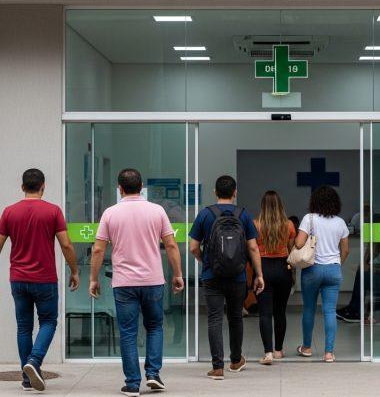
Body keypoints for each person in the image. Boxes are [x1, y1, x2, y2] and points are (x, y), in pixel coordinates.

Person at [89, 168, 184, 397]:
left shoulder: (110, 213)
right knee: (154, 327)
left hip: (124, 283)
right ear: (142, 187)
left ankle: (132, 384)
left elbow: (99, 249)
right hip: (152, 280)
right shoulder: (157, 210)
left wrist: (93, 278)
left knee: (128, 332)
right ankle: (153, 375)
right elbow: (171, 245)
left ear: (119, 188)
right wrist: (177, 274)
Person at [0, 169, 79, 392]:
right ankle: (34, 361)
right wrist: (74, 270)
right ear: (43, 186)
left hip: (18, 278)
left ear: (23, 187)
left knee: (24, 327)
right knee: (49, 322)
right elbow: (66, 244)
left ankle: (27, 380)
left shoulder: (9, 212)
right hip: (44, 279)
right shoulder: (53, 211)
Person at [189, 175, 264, 380]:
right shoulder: (243, 215)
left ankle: (217, 367)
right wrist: (258, 274)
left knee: (214, 319)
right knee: (235, 317)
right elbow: (253, 247)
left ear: (215, 192)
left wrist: (205, 261)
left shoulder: (205, 214)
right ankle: (236, 360)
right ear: (235, 192)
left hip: (212, 275)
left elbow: (193, 246)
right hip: (238, 275)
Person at [295, 185, 349, 363]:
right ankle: (329, 353)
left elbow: (299, 243)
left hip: (312, 269)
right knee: (330, 311)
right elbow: (346, 250)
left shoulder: (309, 219)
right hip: (333, 269)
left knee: (309, 308)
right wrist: (336, 263)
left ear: (315, 201)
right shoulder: (340, 222)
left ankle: (307, 347)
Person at [253, 191, 296, 365]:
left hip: (263, 269)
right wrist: (292, 274)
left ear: (263, 206)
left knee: (265, 313)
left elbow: (253, 250)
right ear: (280, 205)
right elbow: (292, 251)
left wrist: (257, 274)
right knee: (280, 312)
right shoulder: (289, 225)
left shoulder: (255, 225)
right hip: (282, 269)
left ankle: (268, 353)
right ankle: (279, 350)